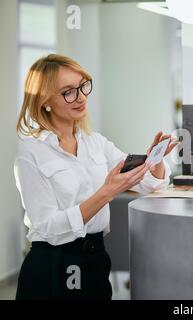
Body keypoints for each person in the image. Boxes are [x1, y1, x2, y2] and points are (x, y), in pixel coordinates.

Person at [13, 54, 179, 299]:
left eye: (83, 86)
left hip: (95, 257)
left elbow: (147, 184)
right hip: (53, 264)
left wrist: (154, 160)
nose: (80, 97)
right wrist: (106, 193)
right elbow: (48, 227)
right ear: (45, 101)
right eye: (68, 91)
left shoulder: (95, 142)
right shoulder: (31, 152)